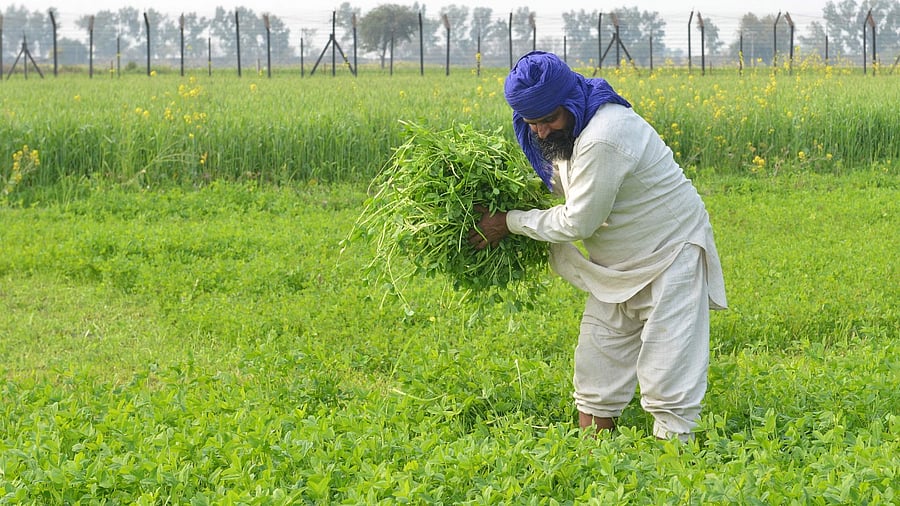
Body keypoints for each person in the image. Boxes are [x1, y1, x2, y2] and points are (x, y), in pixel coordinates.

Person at [469, 51, 727, 441]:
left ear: (569, 102)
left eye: (548, 119)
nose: (539, 132)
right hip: (614, 263)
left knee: (668, 372)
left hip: (670, 253)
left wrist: (508, 221)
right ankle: (595, 464)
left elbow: (577, 220)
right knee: (596, 363)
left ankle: (677, 475)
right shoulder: (566, 132)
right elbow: (561, 184)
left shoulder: (605, 135)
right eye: (531, 123)